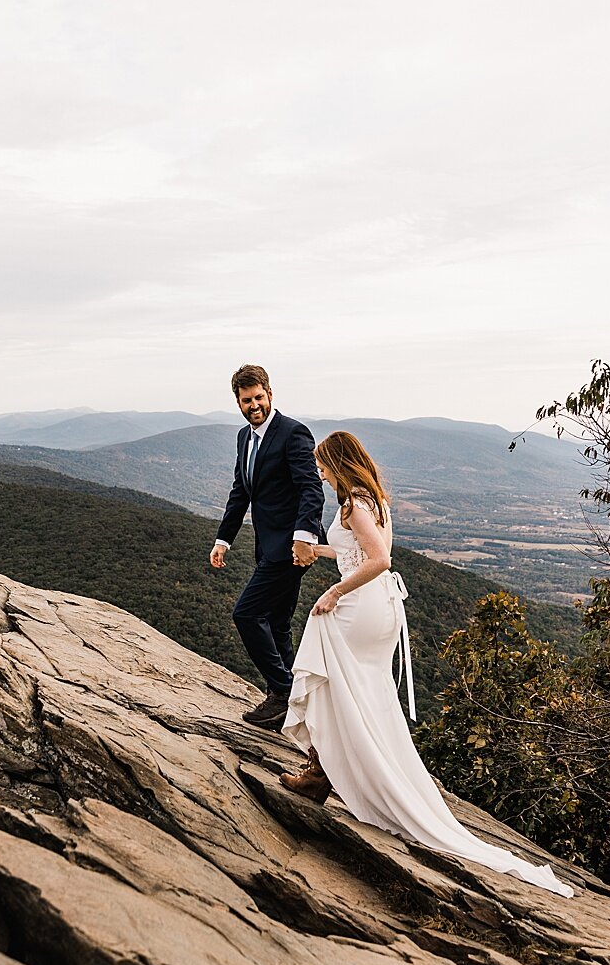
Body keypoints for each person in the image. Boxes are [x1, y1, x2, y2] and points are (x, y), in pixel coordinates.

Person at [280, 431, 575, 899]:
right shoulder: (370, 499)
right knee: (363, 693)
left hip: (362, 603)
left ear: (338, 462)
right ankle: (328, 771)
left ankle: (322, 774)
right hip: (380, 608)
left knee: (330, 671)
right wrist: (320, 553)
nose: (318, 470)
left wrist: (334, 591)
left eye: (322, 463)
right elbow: (356, 551)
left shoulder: (354, 504)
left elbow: (379, 558)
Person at [209, 365, 327, 731]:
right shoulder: (245, 438)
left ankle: (282, 690)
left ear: (270, 393)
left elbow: (311, 488)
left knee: (246, 614)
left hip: (292, 546)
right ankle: (289, 708)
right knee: (277, 622)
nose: (254, 405)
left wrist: (303, 537)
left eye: (259, 397)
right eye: (247, 400)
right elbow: (241, 491)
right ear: (238, 403)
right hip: (267, 544)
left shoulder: (293, 433)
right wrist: (223, 539)